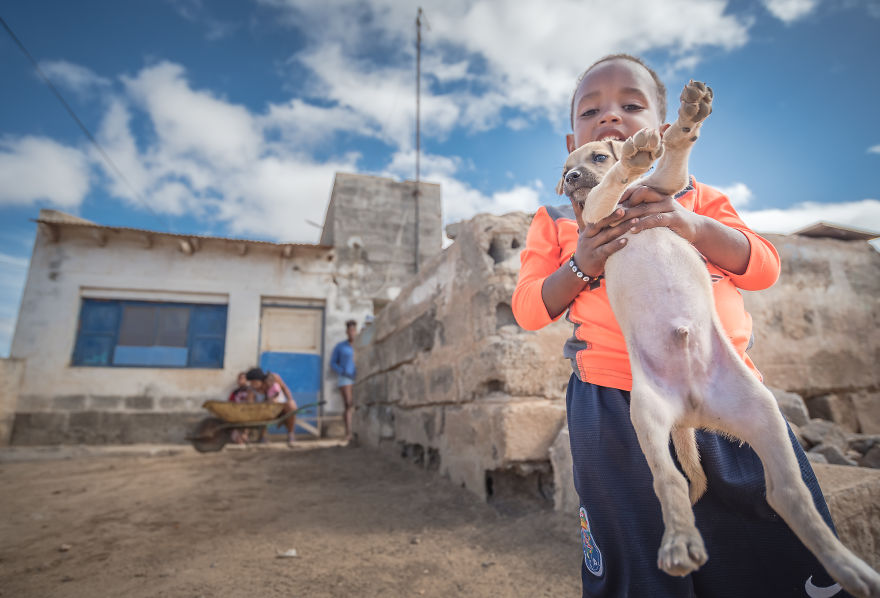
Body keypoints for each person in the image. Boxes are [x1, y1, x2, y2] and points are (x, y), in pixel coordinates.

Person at [512, 54, 845, 597]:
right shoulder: (556, 220)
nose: (610, 117)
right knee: (640, 560)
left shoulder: (699, 198)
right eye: (591, 110)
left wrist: (691, 225)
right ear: (569, 143)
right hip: (616, 407)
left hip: (725, 391)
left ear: (663, 131)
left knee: (771, 546)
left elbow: (763, 267)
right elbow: (529, 307)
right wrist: (582, 264)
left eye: (631, 105)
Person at [246, 367, 298, 447]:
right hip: (265, 411)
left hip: (281, 408)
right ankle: (262, 436)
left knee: (291, 406)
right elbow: (251, 405)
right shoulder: (251, 390)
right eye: (251, 382)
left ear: (261, 380)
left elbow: (284, 388)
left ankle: (291, 434)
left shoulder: (273, 379)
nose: (253, 384)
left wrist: (290, 400)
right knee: (261, 411)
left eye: (255, 382)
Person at [330, 320, 357, 441]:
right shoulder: (340, 347)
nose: (352, 332)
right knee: (348, 404)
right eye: (350, 330)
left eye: (353, 330)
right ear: (346, 331)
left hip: (358, 378)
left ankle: (356, 431)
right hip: (345, 378)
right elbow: (333, 363)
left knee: (356, 405)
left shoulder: (360, 345)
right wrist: (342, 371)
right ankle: (348, 432)